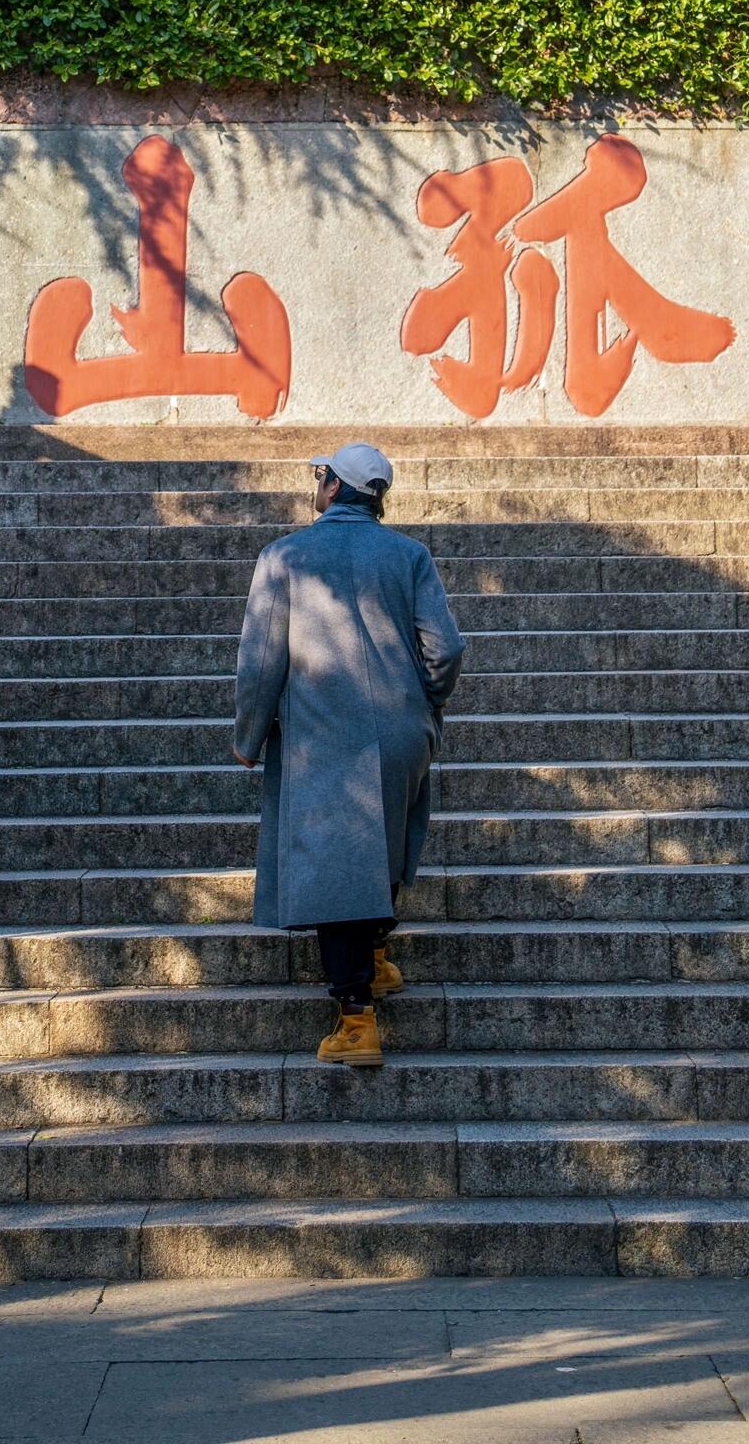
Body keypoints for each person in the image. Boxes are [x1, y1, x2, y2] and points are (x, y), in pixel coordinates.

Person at [232, 441, 466, 1068]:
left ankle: (356, 1018)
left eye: (320, 475)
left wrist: (248, 736)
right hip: (400, 730)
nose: (316, 483)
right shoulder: (410, 556)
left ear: (334, 487)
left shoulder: (284, 557)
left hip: (325, 734)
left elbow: (261, 662)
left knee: (336, 864)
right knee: (385, 842)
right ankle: (378, 956)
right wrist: (426, 704)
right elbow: (445, 648)